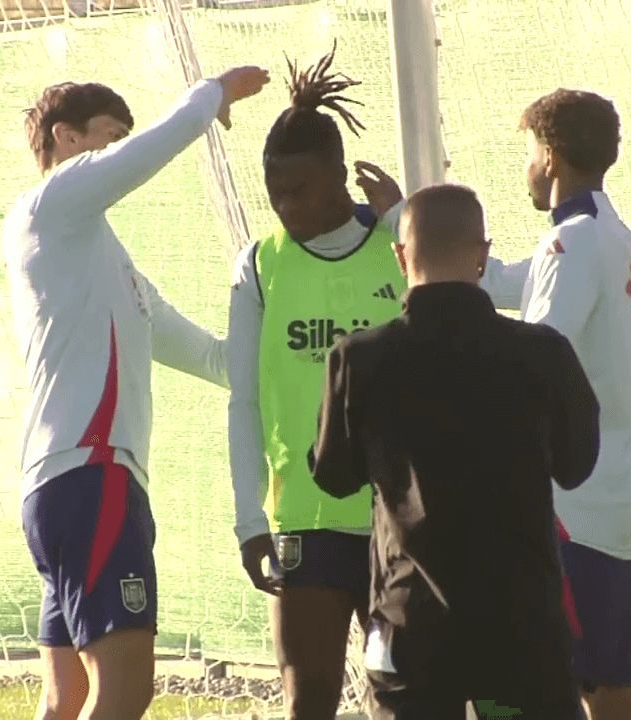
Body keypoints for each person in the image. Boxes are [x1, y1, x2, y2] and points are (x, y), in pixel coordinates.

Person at [3, 66, 269, 720]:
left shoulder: (102, 257)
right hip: (91, 479)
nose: (120, 152)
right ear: (64, 140)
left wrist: (310, 358)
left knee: (65, 700)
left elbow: (212, 358)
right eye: (108, 139)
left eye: (122, 138)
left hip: (63, 487)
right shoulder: (51, 204)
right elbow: (161, 142)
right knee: (125, 692)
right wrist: (213, 95)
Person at [309, 183, 600, 719]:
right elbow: (577, 465)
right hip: (522, 623)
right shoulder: (542, 354)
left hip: (411, 619)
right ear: (483, 255)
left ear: (400, 256)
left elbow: (332, 475)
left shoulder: (360, 359)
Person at [225, 43, 406, 719]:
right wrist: (250, 517)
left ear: (339, 176)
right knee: (310, 699)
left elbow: (474, 296)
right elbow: (243, 398)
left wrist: (399, 219)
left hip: (398, 519)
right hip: (306, 521)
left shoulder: (398, 243)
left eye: (299, 189)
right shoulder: (260, 266)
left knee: (408, 697)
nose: (284, 205)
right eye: (274, 192)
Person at [520, 88, 631, 720]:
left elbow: (535, 358)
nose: (525, 165)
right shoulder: (615, 235)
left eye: (527, 151)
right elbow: (514, 282)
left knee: (519, 685)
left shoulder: (570, 241)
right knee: (611, 688)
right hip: (630, 490)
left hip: (579, 503)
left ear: (549, 156)